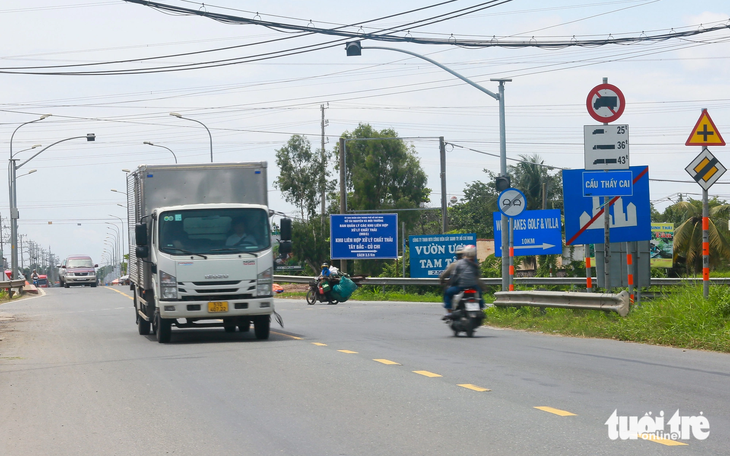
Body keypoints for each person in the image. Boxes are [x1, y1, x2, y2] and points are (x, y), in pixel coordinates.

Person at [442, 245, 484, 318]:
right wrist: (483, 288)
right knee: (479, 294)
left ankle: (449, 312)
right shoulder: (474, 265)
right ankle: (481, 308)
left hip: (461, 286)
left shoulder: (457, 264)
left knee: (447, 292)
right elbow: (478, 278)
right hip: (473, 286)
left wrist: (449, 282)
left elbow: (453, 275)